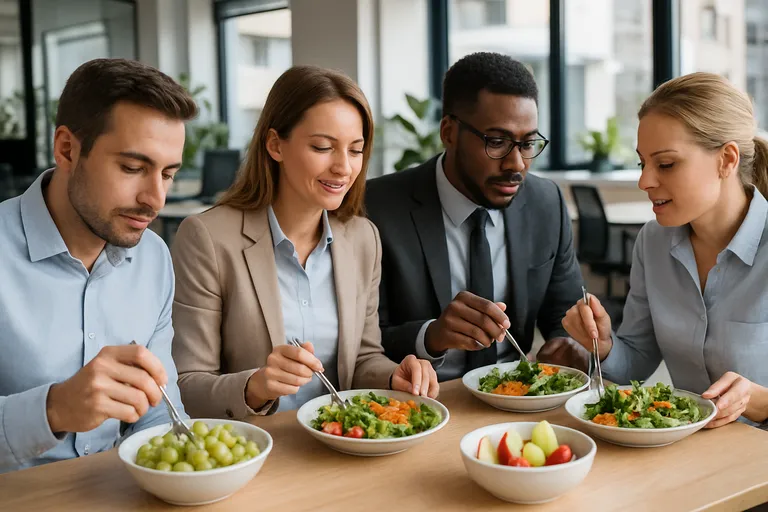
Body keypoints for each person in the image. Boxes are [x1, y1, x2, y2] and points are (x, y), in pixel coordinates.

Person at [171, 65, 439, 419]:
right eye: (323, 147)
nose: (344, 167)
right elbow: (186, 386)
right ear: (275, 145)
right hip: (258, 443)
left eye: (355, 150)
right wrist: (255, 386)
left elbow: (362, 358)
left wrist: (393, 376)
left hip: (341, 440)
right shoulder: (207, 238)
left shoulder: (363, 238)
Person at [0, 58, 197, 473]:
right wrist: (53, 409)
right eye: (133, 168)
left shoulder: (154, 257)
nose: (155, 199)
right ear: (67, 149)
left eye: (167, 174)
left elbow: (160, 413)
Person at [562, 72, 768, 429]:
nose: (645, 181)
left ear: (726, 159)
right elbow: (637, 363)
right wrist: (604, 344)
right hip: (685, 451)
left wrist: (758, 400)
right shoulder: (653, 242)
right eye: (642, 163)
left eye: (666, 164)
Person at [365, 52, 585, 382]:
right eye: (496, 142)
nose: (516, 164)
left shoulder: (545, 202)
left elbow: (565, 315)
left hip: (515, 395)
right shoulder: (378, 207)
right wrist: (431, 336)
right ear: (449, 132)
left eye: (527, 144)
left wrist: (570, 344)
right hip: (422, 397)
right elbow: (362, 341)